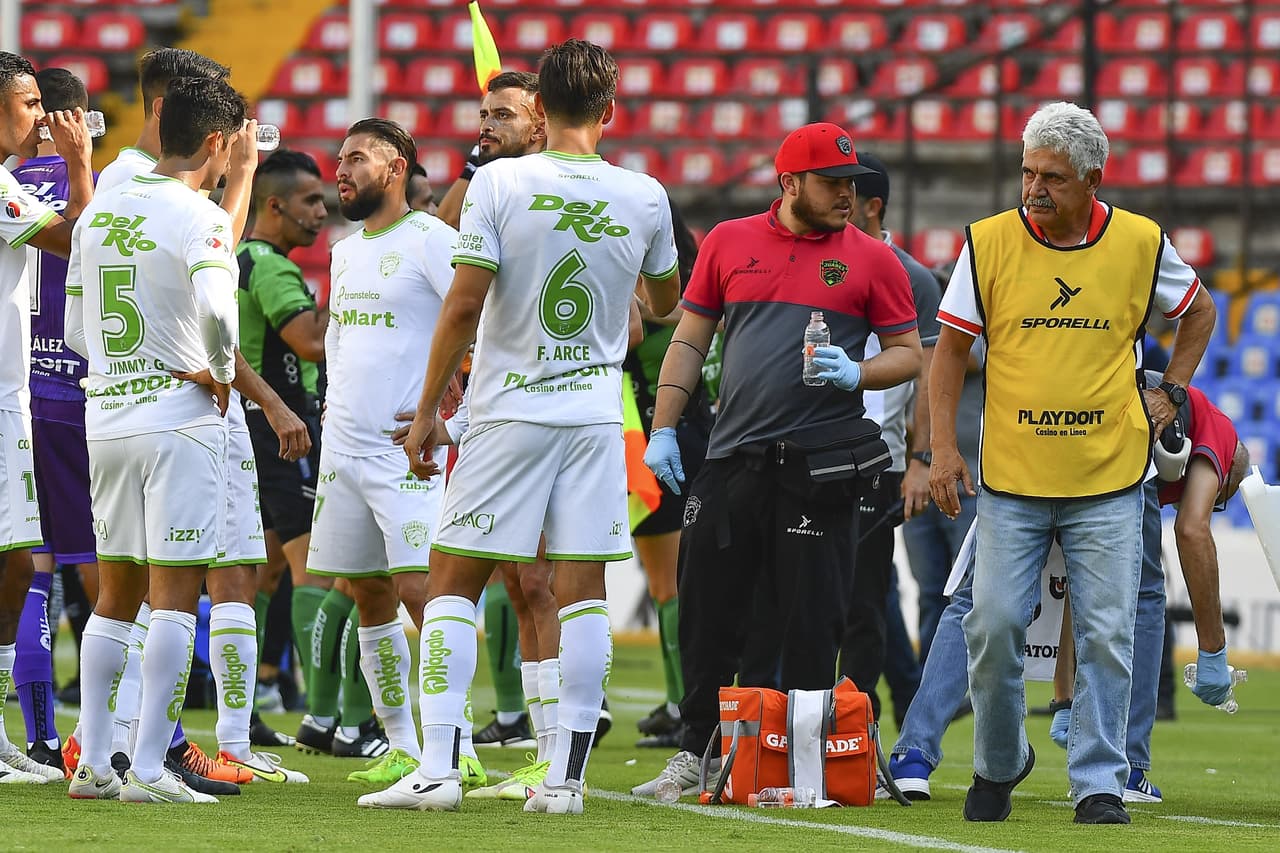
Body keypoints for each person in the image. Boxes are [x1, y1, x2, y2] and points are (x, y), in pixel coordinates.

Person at [367, 39, 680, 814]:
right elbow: (667, 300)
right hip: (594, 417)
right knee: (581, 592)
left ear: (538, 108)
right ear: (611, 111)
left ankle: (438, 767)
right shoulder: (646, 194)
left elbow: (465, 303)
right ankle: (566, 780)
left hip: (510, 411)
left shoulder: (500, 181)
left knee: (452, 578)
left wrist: (431, 409)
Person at [929, 101, 1215, 825]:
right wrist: (941, 448)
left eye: (1052, 177)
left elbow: (1199, 310)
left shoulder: (1142, 242)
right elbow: (950, 352)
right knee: (991, 624)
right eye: (1027, 172)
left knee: (1108, 631)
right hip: (1014, 477)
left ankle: (1098, 781)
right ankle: (1000, 762)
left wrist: (1171, 390)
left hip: (1109, 477)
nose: (1033, 189)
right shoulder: (987, 242)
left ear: (1093, 178)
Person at [634, 121, 921, 798]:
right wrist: (664, 427)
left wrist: (857, 372)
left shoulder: (873, 259)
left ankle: (798, 763)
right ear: (790, 183)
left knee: (813, 618)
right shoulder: (729, 242)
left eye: (852, 184)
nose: (848, 196)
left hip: (820, 467)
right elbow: (687, 341)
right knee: (707, 612)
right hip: (732, 457)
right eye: (832, 183)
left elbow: (909, 353)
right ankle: (697, 752)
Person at [66, 47, 308, 790]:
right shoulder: (201, 216)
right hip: (178, 420)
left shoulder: (102, 205)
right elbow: (218, 312)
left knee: (114, 595)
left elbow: (78, 328)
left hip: (105, 416)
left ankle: (92, 760)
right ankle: (144, 764)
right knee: (174, 595)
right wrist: (220, 366)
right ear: (216, 144)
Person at [307, 118, 483, 793]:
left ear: (398, 164)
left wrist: (452, 418)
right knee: (369, 591)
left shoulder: (436, 241)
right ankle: (404, 743)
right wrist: (331, 405)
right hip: (345, 447)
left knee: (424, 589)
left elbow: (486, 327)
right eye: (340, 159)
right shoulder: (346, 249)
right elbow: (342, 338)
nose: (341, 171)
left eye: (356, 158)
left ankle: (456, 742)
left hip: (405, 452)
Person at [0, 51, 94, 786]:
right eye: (26, 103)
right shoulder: (16, 186)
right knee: (43, 567)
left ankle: (15, 735)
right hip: (41, 400)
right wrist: (82, 166)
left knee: (18, 561)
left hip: (25, 396)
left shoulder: (10, 182)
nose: (37, 118)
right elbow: (79, 244)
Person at [837, 151, 940, 724]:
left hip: (878, 458)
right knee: (836, 595)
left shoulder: (912, 277)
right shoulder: (823, 262)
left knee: (866, 600)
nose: (837, 202)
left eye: (847, 193)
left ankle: (858, 726)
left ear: (872, 205)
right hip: (817, 451)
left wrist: (921, 458)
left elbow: (928, 374)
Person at [234, 149, 330, 753]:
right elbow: (310, 343)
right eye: (310, 202)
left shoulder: (243, 257)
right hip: (281, 429)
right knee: (307, 565)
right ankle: (322, 713)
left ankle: (246, 700)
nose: (322, 213)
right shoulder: (268, 265)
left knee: (262, 569)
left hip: (255, 427)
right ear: (275, 204)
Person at [625, 200, 713, 749]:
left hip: (670, 434)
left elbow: (675, 315)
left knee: (670, 581)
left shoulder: (681, 287)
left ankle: (690, 705)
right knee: (666, 581)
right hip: (652, 433)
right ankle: (680, 699)